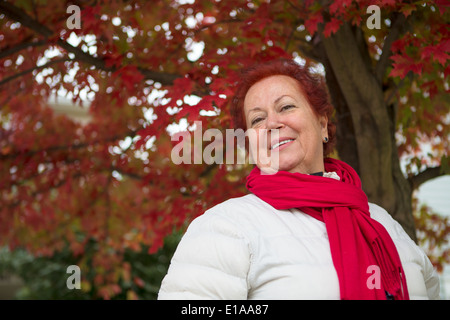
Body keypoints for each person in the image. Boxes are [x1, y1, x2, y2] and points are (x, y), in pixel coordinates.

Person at [158, 59, 440, 300]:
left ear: (321, 123)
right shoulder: (226, 227)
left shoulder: (385, 225)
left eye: (286, 107)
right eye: (257, 120)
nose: (271, 124)